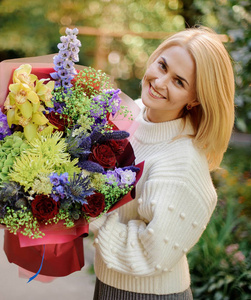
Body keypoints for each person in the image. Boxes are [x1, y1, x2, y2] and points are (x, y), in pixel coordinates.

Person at [90, 26, 235, 299]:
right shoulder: (132, 114)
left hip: (147, 294)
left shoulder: (182, 163)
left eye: (179, 82)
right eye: (162, 65)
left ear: (195, 99)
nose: (159, 82)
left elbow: (151, 253)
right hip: (109, 284)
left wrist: (88, 210)